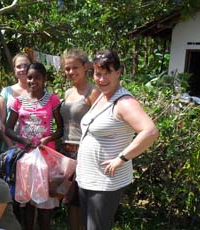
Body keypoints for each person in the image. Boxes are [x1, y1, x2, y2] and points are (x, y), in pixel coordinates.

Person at [76, 49, 158, 230]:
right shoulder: (103, 96)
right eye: (98, 74)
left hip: (105, 182)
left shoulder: (124, 102)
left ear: (118, 72)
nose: (102, 79)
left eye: (108, 73)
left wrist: (121, 158)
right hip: (87, 177)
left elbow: (150, 132)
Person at [5, 62, 63, 230]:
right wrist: (22, 140)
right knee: (28, 202)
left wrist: (48, 138)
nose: (32, 81)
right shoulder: (19, 101)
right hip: (25, 158)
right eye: (29, 77)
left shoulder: (52, 99)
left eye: (37, 77)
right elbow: (8, 128)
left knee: (44, 202)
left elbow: (61, 129)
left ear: (44, 79)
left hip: (46, 157)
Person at [59, 49, 100, 230]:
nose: (71, 72)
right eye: (67, 69)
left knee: (83, 201)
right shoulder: (68, 92)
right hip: (66, 152)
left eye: (75, 67)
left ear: (85, 67)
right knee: (70, 201)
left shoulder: (93, 93)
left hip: (83, 152)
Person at [0, 52, 32, 151]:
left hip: (34, 146)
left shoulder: (38, 92)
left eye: (26, 65)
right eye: (18, 66)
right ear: (14, 70)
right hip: (10, 147)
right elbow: (1, 122)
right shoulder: (6, 92)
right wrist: (11, 146)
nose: (22, 69)